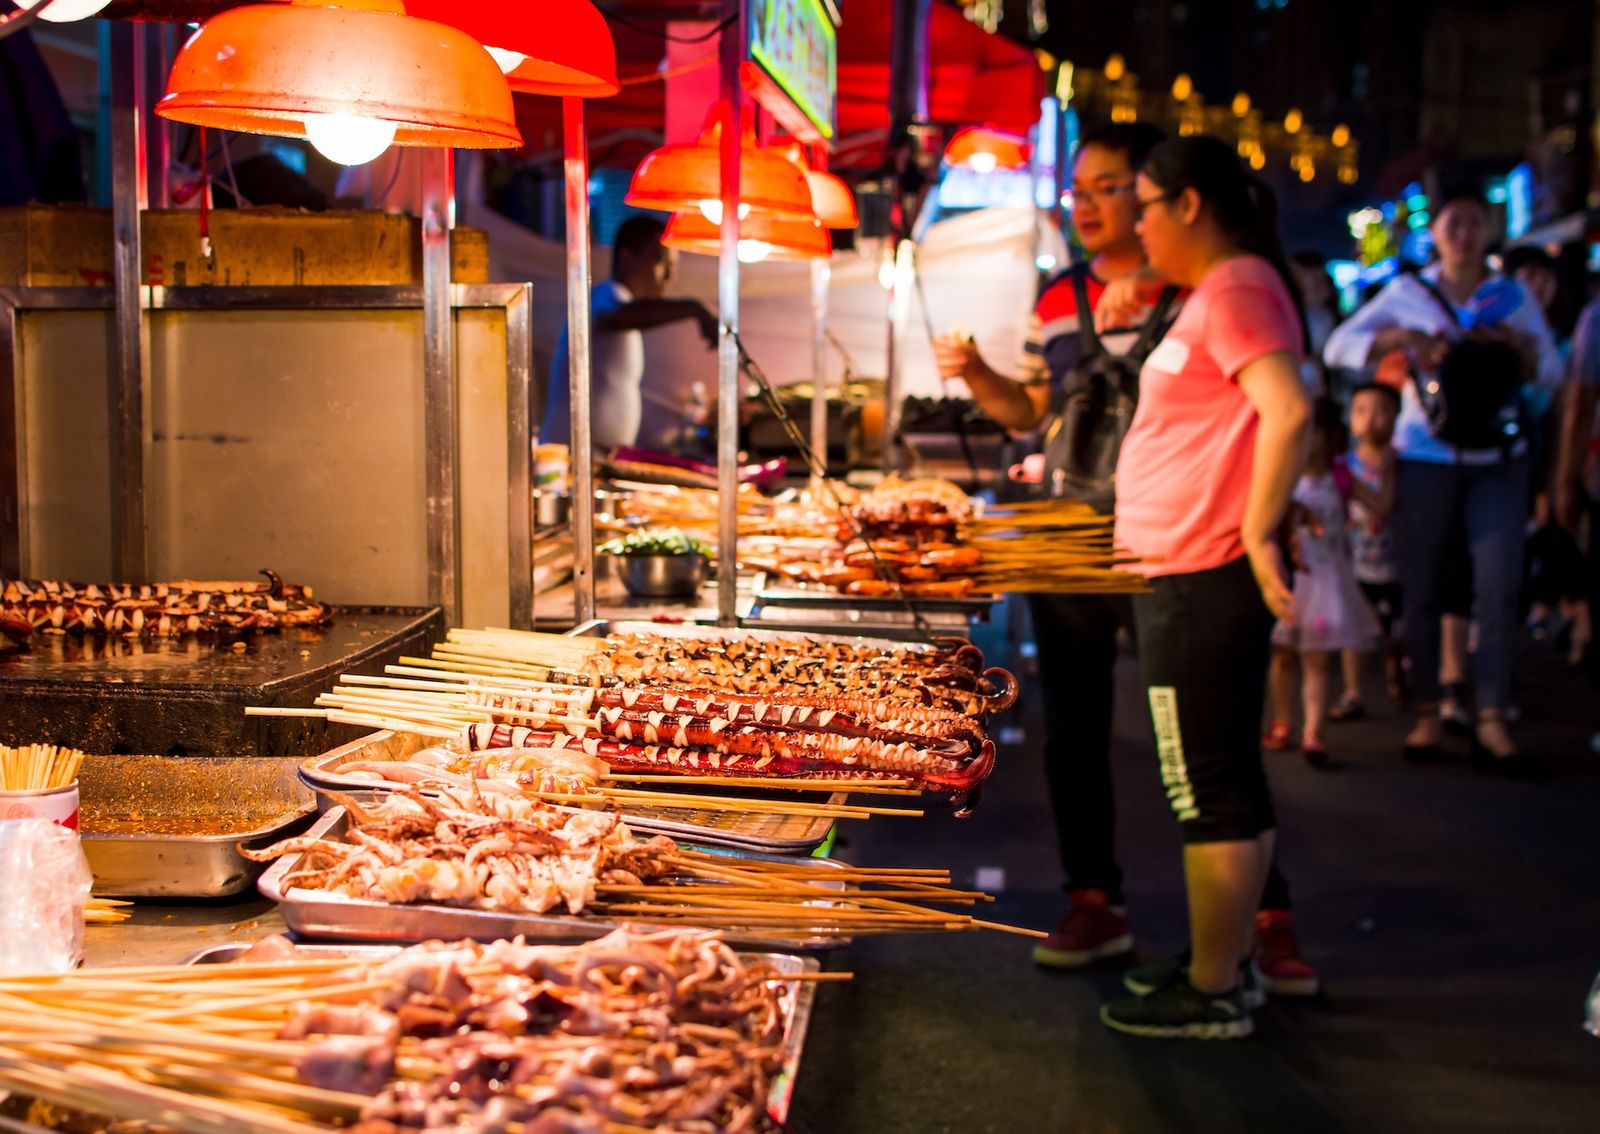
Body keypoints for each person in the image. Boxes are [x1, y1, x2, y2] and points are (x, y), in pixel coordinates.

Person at [932, 125, 1317, 1000]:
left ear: (1169, 199)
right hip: (1074, 533)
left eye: (1119, 190)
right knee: (1086, 733)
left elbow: (1279, 407)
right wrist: (980, 375)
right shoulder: (1066, 294)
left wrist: (1262, 529)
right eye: (1086, 192)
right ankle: (1103, 904)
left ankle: (1252, 937)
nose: (1101, 208)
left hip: (1185, 549)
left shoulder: (1206, 286)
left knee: (1207, 752)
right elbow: (1032, 412)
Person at [1096, 136, 1311, 1040]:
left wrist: (1258, 532)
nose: (1135, 223)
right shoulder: (1221, 292)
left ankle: (1215, 990)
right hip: (1184, 571)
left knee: (1203, 782)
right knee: (1228, 776)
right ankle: (1225, 965)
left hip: (1199, 571)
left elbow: (1288, 409)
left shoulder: (1239, 288)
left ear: (1188, 205)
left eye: (1143, 204)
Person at [1324, 185, 1562, 771]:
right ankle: (1428, 711)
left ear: (1488, 229)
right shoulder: (1409, 293)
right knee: (1423, 584)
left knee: (1498, 587)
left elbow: (1551, 371)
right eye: (1453, 222)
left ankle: (1489, 716)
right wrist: (1405, 340)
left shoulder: (1509, 296)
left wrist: (1517, 351)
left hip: (1497, 458)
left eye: (1474, 222)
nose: (1462, 233)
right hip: (1426, 455)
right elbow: (1339, 346)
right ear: (1436, 231)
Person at [1265, 400, 1381, 765]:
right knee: (1283, 657)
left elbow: (1381, 503)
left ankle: (1313, 730)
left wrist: (1388, 473)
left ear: (1330, 437)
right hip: (1290, 579)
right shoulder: (1284, 474)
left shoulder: (1341, 478)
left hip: (1326, 582)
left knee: (1316, 659)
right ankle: (1284, 720)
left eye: (1314, 431)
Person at [541, 216, 718, 451]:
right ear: (627, 257)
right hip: (571, 458)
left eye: (672, 266)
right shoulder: (605, 296)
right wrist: (694, 308)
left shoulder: (623, 304)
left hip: (602, 457)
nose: (668, 276)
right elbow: (613, 315)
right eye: (660, 261)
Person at [1334, 382, 1407, 716]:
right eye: (1362, 410)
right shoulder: (1343, 467)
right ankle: (1353, 692)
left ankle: (1399, 678)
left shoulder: (1407, 464)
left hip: (1395, 563)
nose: (1372, 419)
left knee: (1397, 631)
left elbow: (1390, 507)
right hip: (1355, 561)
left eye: (1382, 411)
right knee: (1354, 630)